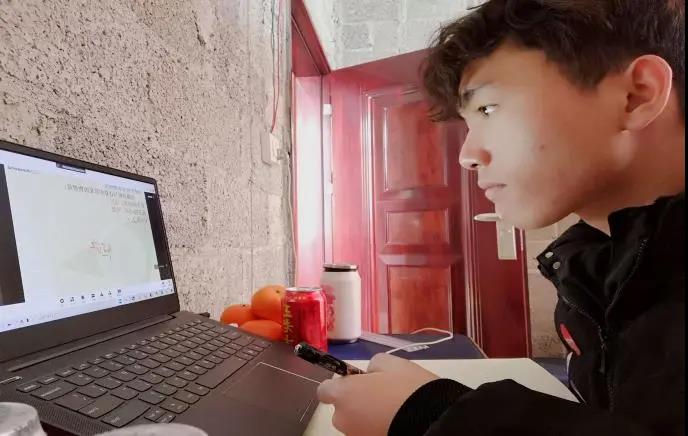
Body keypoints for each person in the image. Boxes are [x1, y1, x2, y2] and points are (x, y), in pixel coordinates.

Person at [316, 0, 685, 435]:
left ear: (637, 94)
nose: (467, 155)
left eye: (488, 109)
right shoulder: (592, 270)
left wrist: (434, 416)